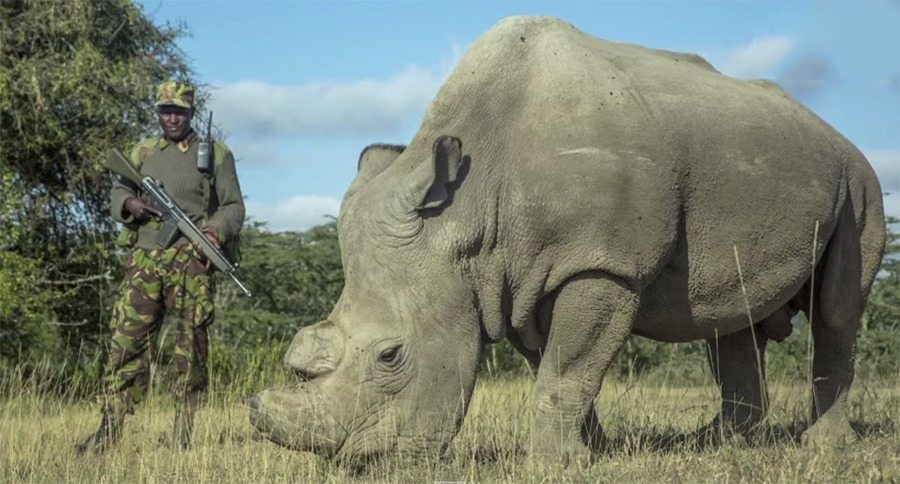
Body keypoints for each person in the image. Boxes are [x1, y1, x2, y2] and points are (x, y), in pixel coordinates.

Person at [76, 80, 245, 454]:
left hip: (192, 261)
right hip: (144, 261)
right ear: (157, 112)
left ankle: (184, 433)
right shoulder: (142, 150)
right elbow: (119, 192)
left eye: (179, 111)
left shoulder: (215, 154)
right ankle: (109, 430)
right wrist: (130, 206)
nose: (171, 118)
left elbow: (233, 206)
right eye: (165, 111)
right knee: (126, 343)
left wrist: (214, 233)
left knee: (191, 346)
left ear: (191, 112)